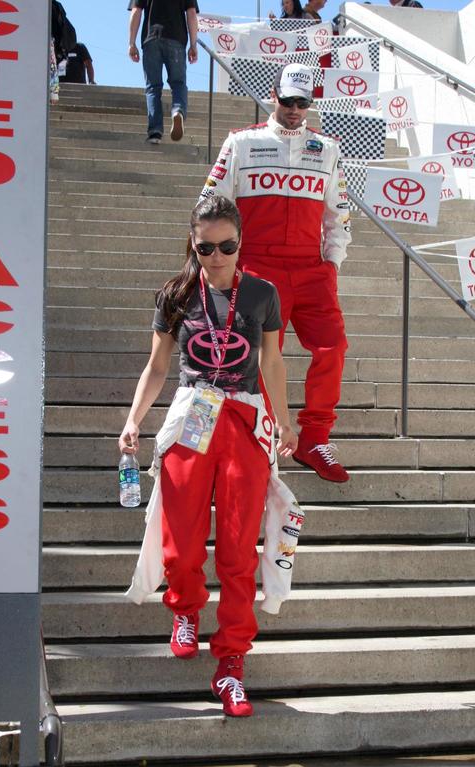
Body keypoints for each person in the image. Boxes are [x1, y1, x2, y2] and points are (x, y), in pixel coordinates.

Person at [120, 196, 301, 718]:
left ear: (241, 242)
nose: (216, 255)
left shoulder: (263, 293)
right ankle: (185, 610)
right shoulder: (177, 294)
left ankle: (232, 664)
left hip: (243, 422)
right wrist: (134, 420)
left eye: (227, 246)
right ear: (192, 244)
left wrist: (285, 421)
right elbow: (157, 367)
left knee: (240, 549)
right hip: (192, 417)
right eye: (205, 247)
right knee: (179, 536)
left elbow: (272, 362)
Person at [200, 64, 352, 482]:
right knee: (264, 354)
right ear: (273, 95)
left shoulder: (327, 148)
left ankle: (314, 438)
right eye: (288, 101)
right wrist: (219, 260)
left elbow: (338, 215)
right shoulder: (242, 141)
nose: (294, 110)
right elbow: (210, 204)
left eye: (303, 103)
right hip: (258, 266)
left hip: (311, 267)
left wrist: (331, 264)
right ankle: (264, 439)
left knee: (333, 347)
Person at [128, 0, 199, 145]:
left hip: (151, 39)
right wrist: (193, 44)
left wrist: (131, 43)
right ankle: (177, 111)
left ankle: (155, 132)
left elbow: (136, 11)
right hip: (177, 40)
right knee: (178, 84)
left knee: (153, 87)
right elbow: (191, 13)